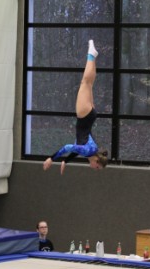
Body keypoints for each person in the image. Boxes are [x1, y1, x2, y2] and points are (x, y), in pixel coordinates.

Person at [43, 40, 108, 175]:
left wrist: (65, 161)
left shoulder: (91, 150)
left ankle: (93, 56)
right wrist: (51, 158)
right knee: (85, 82)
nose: (94, 168)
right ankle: (91, 56)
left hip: (90, 115)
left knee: (89, 84)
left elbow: (76, 149)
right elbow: (68, 147)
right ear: (97, 161)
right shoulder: (88, 151)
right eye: (97, 167)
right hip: (84, 115)